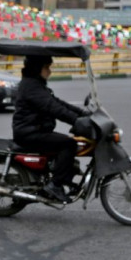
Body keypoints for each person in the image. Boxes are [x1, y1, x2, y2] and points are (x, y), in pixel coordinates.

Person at [12, 55, 94, 203]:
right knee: (68, 144)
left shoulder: (35, 84)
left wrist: (82, 113)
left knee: (69, 143)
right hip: (28, 133)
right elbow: (53, 108)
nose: (50, 71)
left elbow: (57, 102)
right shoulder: (31, 87)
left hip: (36, 130)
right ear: (37, 69)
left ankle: (62, 179)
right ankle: (55, 185)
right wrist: (76, 120)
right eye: (46, 67)